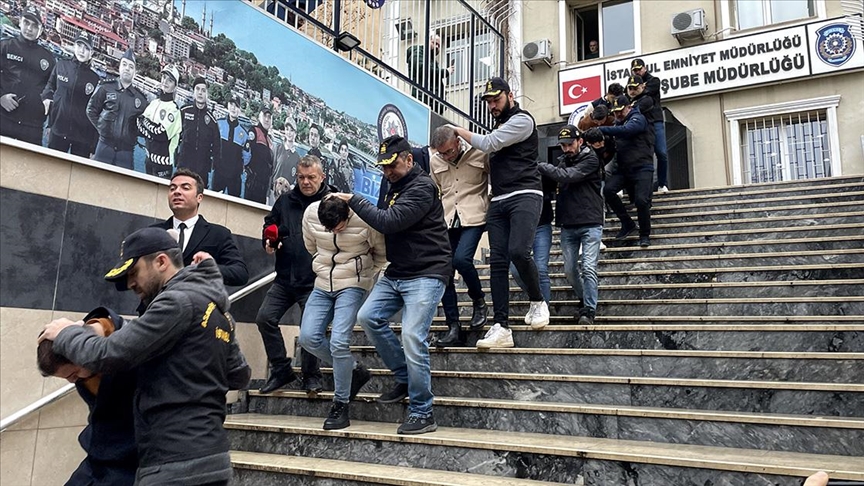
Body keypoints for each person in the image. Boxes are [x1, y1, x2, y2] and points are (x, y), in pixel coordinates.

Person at [39, 227, 251, 485]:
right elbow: (239, 375)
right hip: (211, 461)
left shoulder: (176, 303)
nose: (130, 283)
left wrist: (67, 333)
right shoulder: (216, 311)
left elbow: (106, 355)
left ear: (161, 261)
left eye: (134, 272)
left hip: (174, 465)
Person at [333, 135, 451, 435]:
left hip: (427, 272)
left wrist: (353, 199)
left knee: (412, 335)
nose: (387, 172)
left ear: (409, 160)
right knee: (368, 317)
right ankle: (403, 376)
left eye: (393, 166)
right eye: (384, 167)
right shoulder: (392, 184)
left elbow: (389, 221)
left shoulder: (423, 187)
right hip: (398, 271)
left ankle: (423, 411)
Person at [450, 77, 548, 349]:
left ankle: (538, 300)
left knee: (519, 251)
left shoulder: (522, 120)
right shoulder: (501, 124)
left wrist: (458, 130)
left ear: (510, 95)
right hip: (499, 199)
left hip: (525, 194)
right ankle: (501, 326)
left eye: (497, 99)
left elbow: (489, 143)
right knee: (497, 263)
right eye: (489, 101)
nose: (492, 105)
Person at [298, 195, 386, 429]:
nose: (335, 233)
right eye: (330, 229)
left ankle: (340, 404)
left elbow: (381, 252)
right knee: (308, 338)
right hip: (322, 283)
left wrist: (363, 275)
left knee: (338, 342)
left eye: (339, 228)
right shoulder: (311, 214)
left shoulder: (364, 217)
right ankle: (354, 369)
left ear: (347, 215)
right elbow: (310, 246)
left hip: (354, 284)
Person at [37, 307, 137, 486]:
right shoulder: (85, 372)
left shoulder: (131, 342)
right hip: (101, 454)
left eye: (73, 374)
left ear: (79, 351)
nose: (71, 381)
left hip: (134, 456)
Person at [256, 155, 330, 395]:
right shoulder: (284, 201)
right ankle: (281, 370)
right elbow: (271, 224)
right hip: (285, 278)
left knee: (309, 329)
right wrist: (268, 240)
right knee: (264, 318)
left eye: (311, 177)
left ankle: (311, 376)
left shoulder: (332, 201)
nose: (306, 182)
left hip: (316, 281)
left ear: (322, 177)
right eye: (301, 177)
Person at [428, 126, 490, 347]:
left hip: (474, 216)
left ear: (457, 141)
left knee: (462, 259)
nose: (446, 157)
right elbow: (436, 190)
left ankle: (479, 300)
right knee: (444, 271)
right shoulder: (435, 162)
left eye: (449, 152)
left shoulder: (479, 153)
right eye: (441, 153)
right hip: (448, 218)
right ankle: (453, 326)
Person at [538, 125, 604, 325]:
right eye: (563, 145)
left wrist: (540, 166)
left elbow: (570, 176)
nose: (566, 148)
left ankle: (589, 310)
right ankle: (584, 300)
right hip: (568, 223)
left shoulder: (592, 159)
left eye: (570, 144)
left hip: (590, 222)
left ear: (580, 141)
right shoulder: (561, 162)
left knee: (588, 267)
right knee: (569, 269)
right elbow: (553, 183)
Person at [151, 168, 248, 286]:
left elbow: (240, 273)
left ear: (199, 197)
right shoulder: (154, 233)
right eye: (172, 188)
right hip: (156, 302)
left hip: (195, 302)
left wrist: (207, 267)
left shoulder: (218, 234)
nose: (177, 192)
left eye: (185, 188)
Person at [600, 95, 654, 247]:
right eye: (615, 112)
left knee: (641, 201)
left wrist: (602, 129)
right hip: (624, 169)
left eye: (620, 111)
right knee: (609, 190)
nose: (617, 114)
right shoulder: (618, 123)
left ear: (628, 107)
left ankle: (644, 235)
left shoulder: (637, 118)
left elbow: (628, 130)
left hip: (642, 167)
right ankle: (627, 223)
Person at [0, 6, 55, 145]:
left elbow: (53, 88)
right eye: (26, 23)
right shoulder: (6, 46)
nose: (29, 28)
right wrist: (0, 97)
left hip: (32, 127)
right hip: (3, 118)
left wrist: (48, 100)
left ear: (41, 29)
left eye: (34, 25)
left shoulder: (48, 59)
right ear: (20, 22)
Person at [40, 32, 100, 157]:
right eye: (79, 45)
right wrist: (47, 100)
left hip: (83, 138)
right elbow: (49, 88)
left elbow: (97, 113)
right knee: (53, 170)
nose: (82, 51)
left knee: (77, 175)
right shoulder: (61, 66)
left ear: (92, 53)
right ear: (74, 46)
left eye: (86, 48)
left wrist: (93, 147)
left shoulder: (95, 79)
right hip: (58, 130)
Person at [87, 48, 147, 169]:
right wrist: (102, 128)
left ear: (135, 72)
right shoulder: (105, 87)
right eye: (124, 64)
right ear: (119, 67)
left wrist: (132, 134)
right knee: (97, 182)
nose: (127, 68)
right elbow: (91, 110)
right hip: (104, 146)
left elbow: (144, 125)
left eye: (131, 67)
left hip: (126, 152)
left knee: (123, 186)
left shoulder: (141, 100)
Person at [631, 58, 669, 192]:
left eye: (639, 69)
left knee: (661, 153)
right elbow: (629, 96)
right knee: (640, 154)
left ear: (644, 68)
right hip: (641, 122)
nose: (637, 72)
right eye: (635, 70)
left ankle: (662, 183)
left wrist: (640, 89)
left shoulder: (654, 80)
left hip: (655, 121)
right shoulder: (631, 84)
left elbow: (643, 93)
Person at [138, 65, 182, 179]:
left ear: (175, 86)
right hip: (148, 159)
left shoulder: (174, 110)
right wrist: (151, 128)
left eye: (170, 80)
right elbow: (139, 124)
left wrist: (146, 124)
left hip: (163, 164)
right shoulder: (154, 103)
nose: (165, 82)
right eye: (164, 77)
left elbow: (161, 134)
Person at [176, 77, 220, 186]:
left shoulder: (212, 120)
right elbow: (175, 135)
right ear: (194, 92)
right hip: (183, 165)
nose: (200, 93)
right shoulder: (184, 111)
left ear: (207, 94)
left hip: (202, 170)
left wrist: (215, 165)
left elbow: (217, 146)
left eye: (203, 90)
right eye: (198, 89)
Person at [213, 96, 250, 196]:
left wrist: (238, 168)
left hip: (234, 177)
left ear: (239, 109)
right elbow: (212, 146)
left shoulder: (244, 133)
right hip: (219, 173)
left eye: (236, 106)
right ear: (228, 106)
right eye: (232, 105)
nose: (233, 108)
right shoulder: (218, 124)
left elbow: (247, 156)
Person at [407, 32, 453, 112]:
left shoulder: (432, 61)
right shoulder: (417, 53)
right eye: (434, 43)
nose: (436, 46)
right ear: (427, 41)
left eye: (438, 45)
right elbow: (426, 71)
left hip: (433, 103)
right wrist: (446, 72)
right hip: (423, 100)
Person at [245, 107, 274, 203]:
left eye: (269, 117)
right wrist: (248, 172)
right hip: (252, 183)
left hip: (263, 186)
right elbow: (246, 152)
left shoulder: (270, 141)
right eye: (265, 116)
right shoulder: (254, 131)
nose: (267, 119)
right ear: (259, 117)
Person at [271, 116, 301, 198]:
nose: (289, 132)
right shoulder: (277, 148)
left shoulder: (297, 158)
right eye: (287, 129)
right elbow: (271, 171)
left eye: (291, 130)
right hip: (273, 193)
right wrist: (267, 195)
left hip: (286, 197)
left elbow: (297, 180)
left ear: (295, 133)